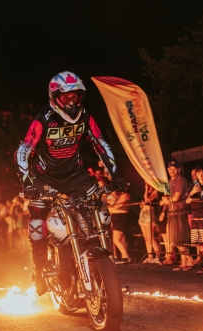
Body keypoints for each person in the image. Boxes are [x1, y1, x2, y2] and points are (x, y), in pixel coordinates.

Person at [14, 71, 124, 295]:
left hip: (75, 175)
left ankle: (96, 261)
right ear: (55, 97)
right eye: (66, 97)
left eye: (75, 96)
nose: (71, 101)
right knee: (37, 219)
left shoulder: (85, 117)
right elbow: (23, 150)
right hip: (44, 176)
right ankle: (40, 266)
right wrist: (28, 183)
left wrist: (116, 175)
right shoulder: (43, 119)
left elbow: (101, 143)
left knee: (101, 213)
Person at [160, 160, 194, 270]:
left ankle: (190, 260)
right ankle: (184, 262)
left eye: (174, 169)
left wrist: (167, 200)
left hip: (179, 211)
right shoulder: (170, 181)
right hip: (172, 212)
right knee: (175, 240)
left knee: (180, 239)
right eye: (170, 169)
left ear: (178, 169)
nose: (172, 171)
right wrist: (165, 203)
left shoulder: (181, 180)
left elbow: (176, 198)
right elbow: (166, 197)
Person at [105, 189, 131, 262]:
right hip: (115, 217)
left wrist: (111, 209)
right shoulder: (115, 196)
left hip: (121, 217)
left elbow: (117, 205)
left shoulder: (125, 195)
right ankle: (124, 257)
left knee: (116, 239)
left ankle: (127, 257)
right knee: (122, 239)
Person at [138, 182, 161, 264]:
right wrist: (146, 190)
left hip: (150, 213)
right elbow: (143, 203)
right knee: (146, 237)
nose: (146, 184)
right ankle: (150, 256)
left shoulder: (156, 191)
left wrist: (147, 189)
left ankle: (158, 257)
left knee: (150, 237)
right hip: (143, 213)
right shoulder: (147, 192)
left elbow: (147, 199)